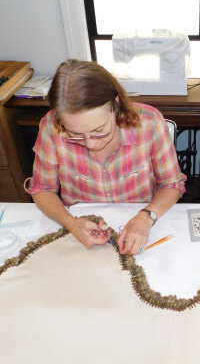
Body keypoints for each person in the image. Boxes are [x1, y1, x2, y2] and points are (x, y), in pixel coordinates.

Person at [26, 60, 186, 254]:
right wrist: (71, 223)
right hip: (79, 225)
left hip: (142, 221)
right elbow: (42, 189)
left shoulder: (149, 122)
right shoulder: (51, 126)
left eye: (99, 131)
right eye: (75, 134)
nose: (90, 144)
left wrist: (146, 217)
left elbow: (172, 184)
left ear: (115, 106)